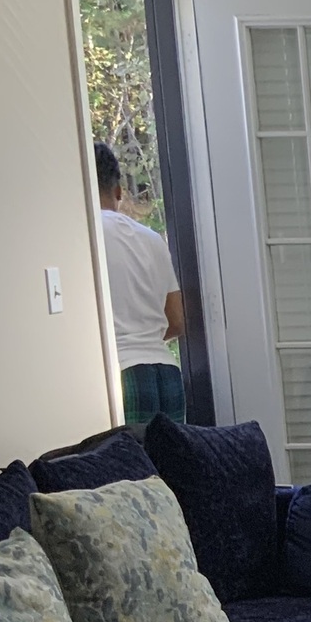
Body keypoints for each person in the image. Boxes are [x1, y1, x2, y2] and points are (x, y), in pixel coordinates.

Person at [95, 141, 185, 425]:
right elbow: (177, 321)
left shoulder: (83, 235)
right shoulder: (152, 239)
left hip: (121, 374)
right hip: (167, 373)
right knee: (171, 468)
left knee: (127, 469)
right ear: (119, 190)